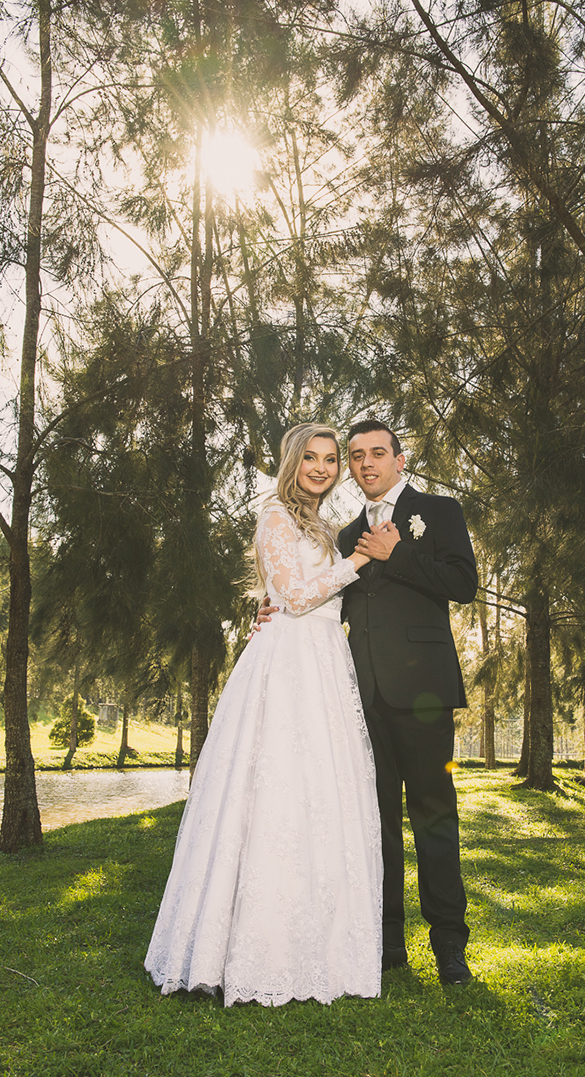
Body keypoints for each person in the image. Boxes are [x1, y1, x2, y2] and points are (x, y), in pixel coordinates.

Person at [144, 424, 382, 1007]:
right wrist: (357, 559)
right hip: (287, 666)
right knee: (271, 789)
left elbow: (296, 595)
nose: (324, 468)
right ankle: (246, 949)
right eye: (312, 459)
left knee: (319, 797)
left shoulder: (321, 524)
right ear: (291, 462)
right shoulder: (275, 514)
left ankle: (321, 945)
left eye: (331, 460)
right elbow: (296, 596)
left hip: (324, 662)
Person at [259, 418, 478, 985]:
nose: (365, 464)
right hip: (358, 694)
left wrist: (398, 552)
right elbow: (313, 591)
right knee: (371, 822)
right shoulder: (343, 529)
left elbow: (462, 584)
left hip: (425, 694)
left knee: (433, 815)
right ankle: (386, 944)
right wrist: (270, 609)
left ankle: (450, 947)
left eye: (377, 453)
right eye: (355, 456)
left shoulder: (441, 511)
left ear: (400, 460)